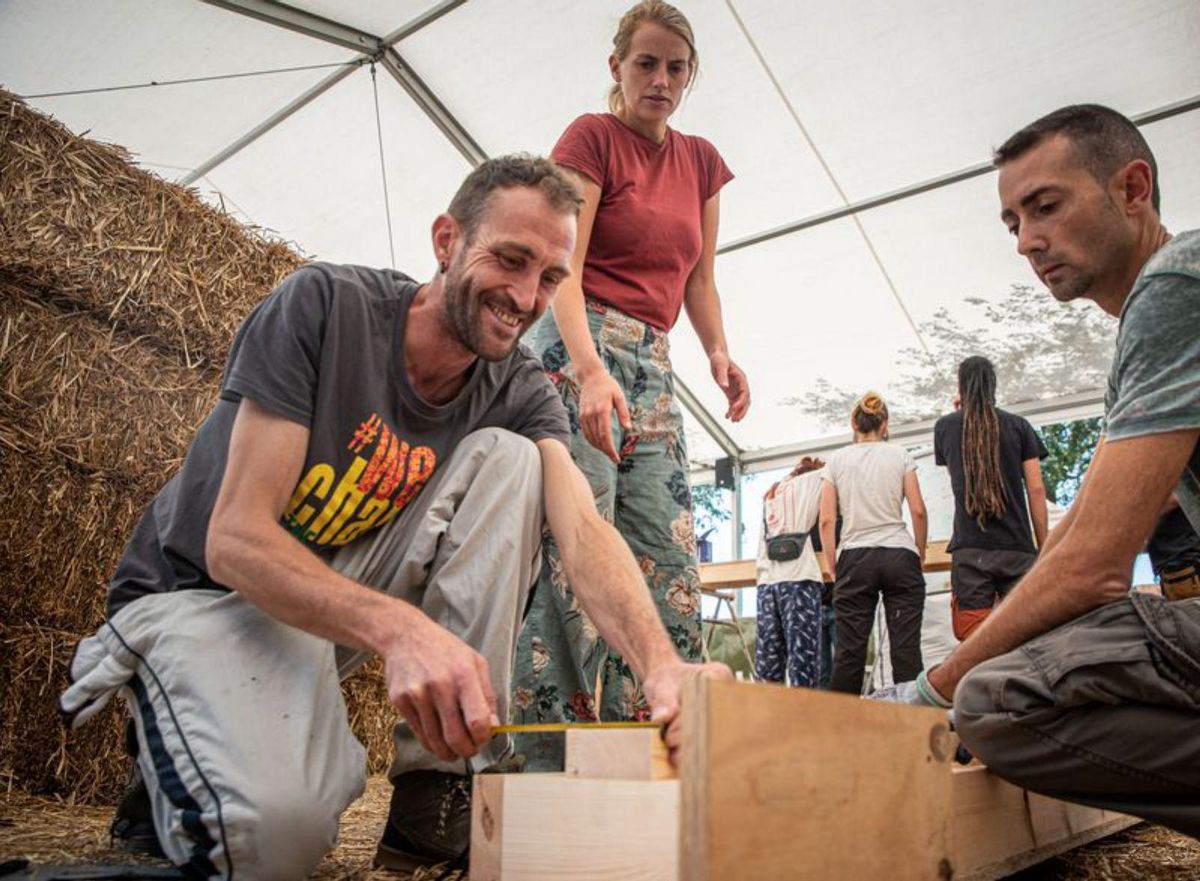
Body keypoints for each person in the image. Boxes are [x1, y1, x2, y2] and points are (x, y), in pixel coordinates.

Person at [58, 155, 730, 880]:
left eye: (550, 278)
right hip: (204, 595)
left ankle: (432, 790)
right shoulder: (325, 306)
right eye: (510, 259)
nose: (526, 296)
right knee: (273, 843)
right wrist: (406, 629)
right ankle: (169, 764)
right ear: (446, 240)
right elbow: (235, 539)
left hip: (323, 594)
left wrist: (663, 667)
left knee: (519, 461)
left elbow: (582, 528)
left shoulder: (519, 383)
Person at [874, 104, 1200, 837]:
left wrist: (934, 687)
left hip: (974, 558)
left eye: (1045, 207)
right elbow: (1077, 523)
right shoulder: (1145, 336)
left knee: (994, 701)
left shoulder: (1177, 285)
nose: (1026, 241)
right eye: (1012, 222)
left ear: (1133, 188)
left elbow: (1091, 565)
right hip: (1004, 555)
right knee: (1017, 665)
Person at [511, 1, 748, 769]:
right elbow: (563, 271)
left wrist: (718, 354)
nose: (662, 80)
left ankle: (656, 741)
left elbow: (702, 279)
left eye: (676, 68)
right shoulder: (591, 138)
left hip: (655, 356)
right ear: (616, 67)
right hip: (576, 339)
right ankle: (554, 755)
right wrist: (585, 371)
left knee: (667, 549)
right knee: (580, 538)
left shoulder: (702, 160)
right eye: (646, 63)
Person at [819, 392, 929, 694]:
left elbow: (827, 520)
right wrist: (918, 553)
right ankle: (913, 732)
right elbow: (918, 510)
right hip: (900, 555)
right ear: (885, 424)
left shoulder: (837, 460)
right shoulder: (900, 455)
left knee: (849, 655)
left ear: (853, 423)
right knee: (906, 654)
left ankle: (841, 732)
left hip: (855, 558)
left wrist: (833, 566)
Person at [934, 356, 1049, 640]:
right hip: (1017, 549)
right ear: (993, 386)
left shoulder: (945, 427)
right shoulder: (1019, 426)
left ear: (960, 387)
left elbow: (958, 478)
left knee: (976, 642)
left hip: (971, 551)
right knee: (1027, 638)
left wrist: (960, 416)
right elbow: (1036, 489)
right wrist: (1044, 545)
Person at [755, 457, 826, 687]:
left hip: (766, 584)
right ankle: (801, 720)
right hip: (800, 581)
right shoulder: (814, 481)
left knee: (768, 663)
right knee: (803, 662)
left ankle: (765, 718)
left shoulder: (772, 493)